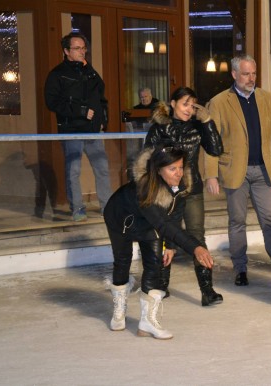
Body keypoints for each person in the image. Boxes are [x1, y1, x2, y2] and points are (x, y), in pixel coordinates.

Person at [204, 54, 271, 288]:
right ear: (234, 74)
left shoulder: (267, 98)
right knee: (237, 221)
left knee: (270, 220)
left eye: (254, 73)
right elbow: (211, 141)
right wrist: (211, 174)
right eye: (246, 74)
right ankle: (240, 269)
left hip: (263, 171)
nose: (251, 78)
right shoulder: (218, 102)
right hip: (234, 171)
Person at [103, 145, 214, 339]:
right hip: (120, 219)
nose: (179, 173)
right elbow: (163, 224)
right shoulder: (144, 190)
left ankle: (147, 322)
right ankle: (119, 310)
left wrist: (170, 246)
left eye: (180, 167)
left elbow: (175, 214)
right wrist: (195, 248)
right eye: (173, 169)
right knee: (123, 261)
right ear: (158, 169)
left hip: (150, 224)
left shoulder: (181, 185)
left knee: (154, 265)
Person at [144, 86, 224, 306]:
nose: (189, 109)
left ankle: (207, 290)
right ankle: (161, 283)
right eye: (184, 104)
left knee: (197, 236)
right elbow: (148, 159)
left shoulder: (198, 127)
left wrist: (207, 122)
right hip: (166, 191)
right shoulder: (159, 128)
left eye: (192, 104)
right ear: (173, 103)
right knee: (164, 234)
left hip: (192, 190)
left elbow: (216, 150)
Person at [44, 32, 112, 222]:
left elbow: (101, 98)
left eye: (83, 48)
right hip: (72, 129)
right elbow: (52, 102)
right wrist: (80, 111)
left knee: (102, 168)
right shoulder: (57, 74)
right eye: (77, 48)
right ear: (66, 51)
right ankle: (78, 209)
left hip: (93, 130)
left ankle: (107, 206)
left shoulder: (90, 72)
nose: (82, 51)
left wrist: (103, 121)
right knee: (73, 170)